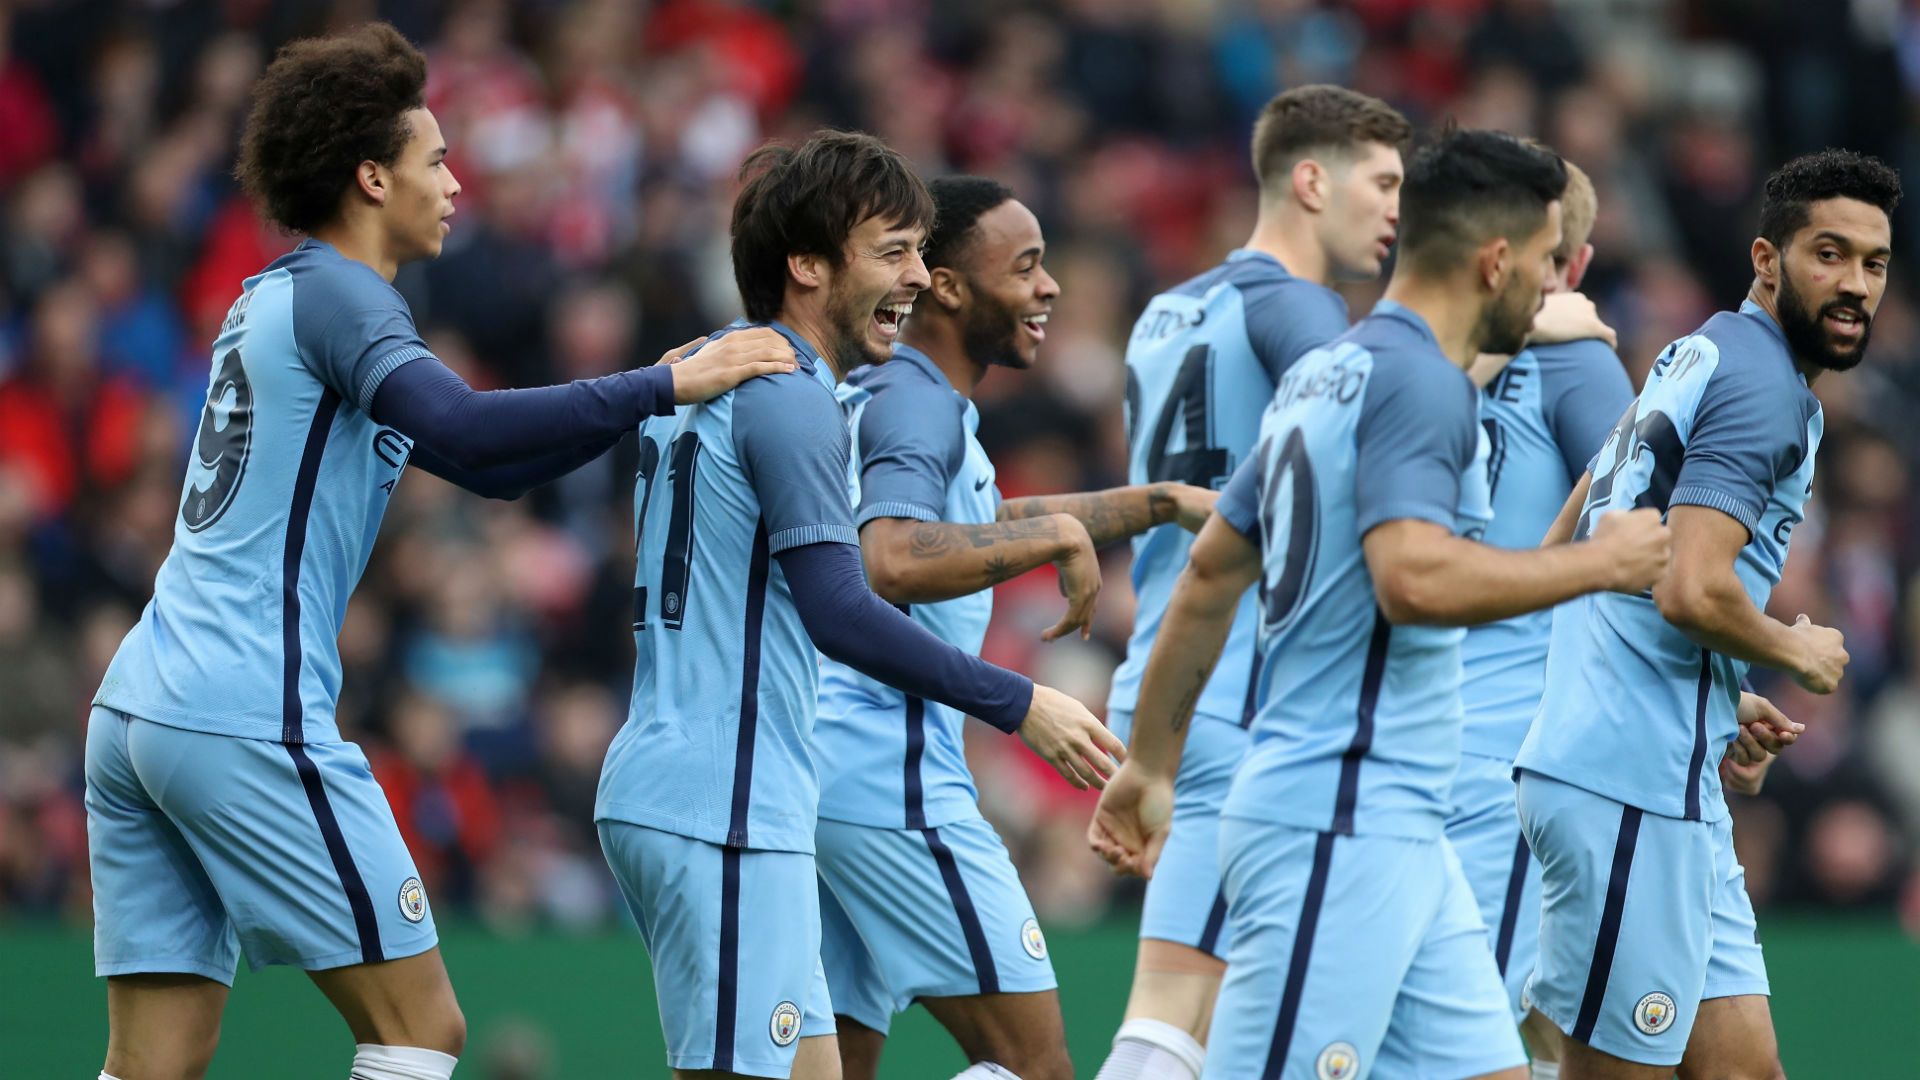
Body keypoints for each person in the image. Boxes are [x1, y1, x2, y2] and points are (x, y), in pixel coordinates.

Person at [81, 23, 793, 1080]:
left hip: (140, 706)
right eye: (437, 159)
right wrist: (661, 384)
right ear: (372, 177)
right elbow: (463, 428)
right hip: (242, 703)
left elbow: (487, 467)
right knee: (420, 1028)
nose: (457, 180)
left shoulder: (273, 292)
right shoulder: (343, 294)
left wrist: (650, 405)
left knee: (154, 1064)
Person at [1088, 129, 1673, 1080]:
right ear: (1496, 263)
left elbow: (1209, 573)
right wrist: (1599, 564)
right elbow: (1413, 578)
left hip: (1400, 821)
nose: (1549, 291)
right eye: (1541, 267)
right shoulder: (1424, 387)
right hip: (1335, 814)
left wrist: (1153, 761)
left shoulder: (1328, 371)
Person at [594, 132, 1124, 1080]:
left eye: (921, 251)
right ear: (808, 265)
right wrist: (1018, 701)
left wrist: (1140, 506)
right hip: (727, 796)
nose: (918, 279)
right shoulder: (793, 396)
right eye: (894, 252)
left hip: (722, 785)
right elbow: (851, 596)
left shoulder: (707, 373)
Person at [810, 175, 1215, 1080]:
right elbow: (894, 556)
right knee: (1035, 1068)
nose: (1051, 287)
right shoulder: (918, 398)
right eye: (1026, 266)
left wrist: (1153, 504)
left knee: (839, 1068)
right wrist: (1055, 539)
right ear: (947, 286)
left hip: (822, 774)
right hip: (891, 777)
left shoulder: (893, 392)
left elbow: (979, 516)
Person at [1513, 149, 1898, 1080]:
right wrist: (1788, 649)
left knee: (1744, 1072)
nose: (1854, 286)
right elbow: (1690, 587)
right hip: (1625, 785)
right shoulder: (1763, 390)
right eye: (1829, 255)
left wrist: (1719, 694)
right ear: (1768, 259)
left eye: (1875, 264)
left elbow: (1580, 530)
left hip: (1666, 780)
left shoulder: (1704, 348)